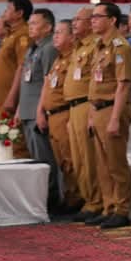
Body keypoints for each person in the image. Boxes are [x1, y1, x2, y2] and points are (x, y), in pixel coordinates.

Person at [86, 3, 131, 230]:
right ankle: (109, 207)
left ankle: (122, 209)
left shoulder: (120, 47)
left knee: (116, 163)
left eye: (98, 16)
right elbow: (94, 84)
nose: (93, 20)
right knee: (102, 165)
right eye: (92, 16)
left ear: (113, 20)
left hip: (111, 109)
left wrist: (115, 118)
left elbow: (123, 85)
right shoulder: (98, 46)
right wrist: (90, 115)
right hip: (97, 109)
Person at [37, 19, 82, 215]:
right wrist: (41, 111)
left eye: (60, 32)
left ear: (72, 37)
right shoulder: (58, 59)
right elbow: (48, 86)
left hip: (65, 113)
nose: (55, 36)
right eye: (55, 32)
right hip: (53, 115)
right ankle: (69, 196)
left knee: (70, 160)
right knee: (61, 161)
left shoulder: (74, 58)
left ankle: (77, 198)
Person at [17, 9, 60, 209]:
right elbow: (27, 82)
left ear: (48, 27)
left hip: (38, 111)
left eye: (35, 23)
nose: (30, 27)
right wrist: (19, 109)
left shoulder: (49, 48)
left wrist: (40, 111)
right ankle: (40, 198)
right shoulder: (33, 48)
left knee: (44, 160)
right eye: (30, 23)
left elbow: (48, 82)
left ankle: (51, 199)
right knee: (35, 160)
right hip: (27, 110)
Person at [68, 8, 105, 223]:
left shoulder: (94, 46)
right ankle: (88, 199)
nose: (74, 23)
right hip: (73, 107)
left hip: (86, 104)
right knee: (78, 159)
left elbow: (94, 80)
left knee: (89, 158)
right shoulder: (78, 46)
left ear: (90, 22)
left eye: (78, 19)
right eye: (73, 19)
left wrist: (91, 109)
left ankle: (96, 201)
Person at [0, 0, 32, 119]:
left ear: (19, 13)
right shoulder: (11, 34)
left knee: (9, 130)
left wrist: (12, 97)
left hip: (10, 98)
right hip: (1, 97)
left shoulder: (23, 35)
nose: (5, 12)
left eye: (9, 9)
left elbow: (23, 66)